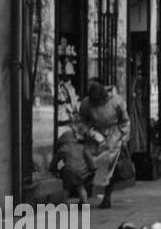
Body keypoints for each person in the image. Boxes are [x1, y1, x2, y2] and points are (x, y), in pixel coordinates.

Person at [75, 78, 131, 209]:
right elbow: (81, 120)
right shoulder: (86, 104)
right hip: (94, 137)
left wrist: (124, 139)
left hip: (113, 137)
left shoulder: (116, 101)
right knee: (88, 166)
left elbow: (125, 121)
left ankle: (107, 197)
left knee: (109, 168)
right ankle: (85, 197)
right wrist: (87, 132)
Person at [50, 125, 94, 204]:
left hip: (68, 172)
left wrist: (52, 169)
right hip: (81, 172)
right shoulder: (81, 147)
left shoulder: (63, 148)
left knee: (66, 189)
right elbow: (89, 159)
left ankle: (64, 205)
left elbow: (55, 161)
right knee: (81, 188)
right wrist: (92, 168)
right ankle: (85, 203)